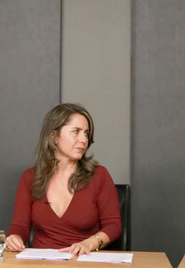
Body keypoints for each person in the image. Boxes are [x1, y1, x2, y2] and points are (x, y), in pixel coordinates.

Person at [6, 103, 121, 256]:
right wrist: (14, 238)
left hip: (83, 261)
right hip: (41, 264)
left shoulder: (99, 175)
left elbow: (113, 225)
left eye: (86, 133)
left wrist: (89, 243)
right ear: (54, 136)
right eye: (76, 132)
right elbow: (20, 227)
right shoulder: (30, 178)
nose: (83, 139)